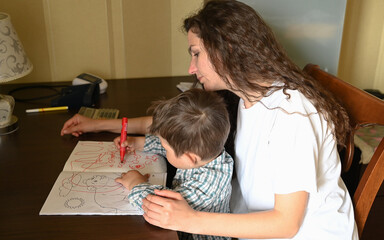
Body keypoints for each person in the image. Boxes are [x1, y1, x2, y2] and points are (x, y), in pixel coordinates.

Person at [61, 0, 358, 239]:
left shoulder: (292, 115)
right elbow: (178, 126)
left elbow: (286, 225)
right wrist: (99, 123)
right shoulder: (246, 93)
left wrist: (190, 220)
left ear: (225, 51)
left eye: (196, 54)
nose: (191, 68)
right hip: (244, 221)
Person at [115, 88, 233, 240]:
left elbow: (163, 208)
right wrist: (140, 143)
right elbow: (175, 146)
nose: (163, 147)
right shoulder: (206, 151)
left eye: (165, 148)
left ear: (190, 157)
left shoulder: (208, 184)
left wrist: (136, 183)